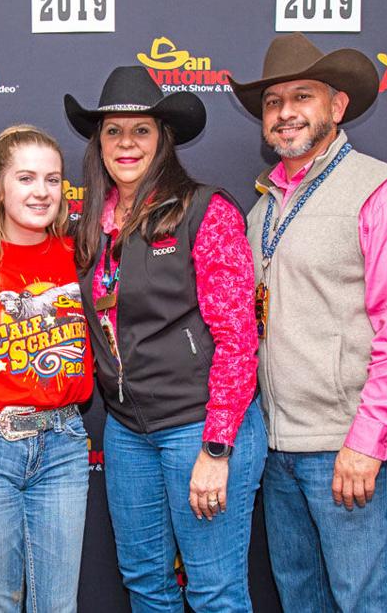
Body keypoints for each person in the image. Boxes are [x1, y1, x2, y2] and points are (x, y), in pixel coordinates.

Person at [229, 32, 387, 612]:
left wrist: (367, 444)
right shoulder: (263, 207)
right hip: (280, 449)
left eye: (303, 96)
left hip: (353, 452)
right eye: (274, 102)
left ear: (337, 106)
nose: (286, 113)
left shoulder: (384, 191)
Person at [66, 66, 266, 612]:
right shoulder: (90, 222)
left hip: (201, 428)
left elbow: (238, 338)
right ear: (97, 143)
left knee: (215, 593)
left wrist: (217, 447)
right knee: (145, 585)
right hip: (129, 432)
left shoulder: (206, 210)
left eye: (141, 130)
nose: (126, 143)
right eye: (113, 131)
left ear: (163, 139)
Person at [0, 125, 94, 613]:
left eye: (53, 180)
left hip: (64, 448)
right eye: (25, 178)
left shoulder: (82, 255)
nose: (41, 191)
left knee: (57, 606)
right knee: (0, 602)